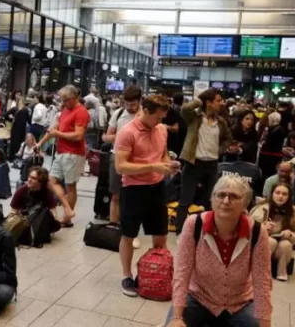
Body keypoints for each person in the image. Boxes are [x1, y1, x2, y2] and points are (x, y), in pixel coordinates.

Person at [166, 175, 272, 327]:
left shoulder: (257, 231)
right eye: (221, 195)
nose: (226, 201)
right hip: (198, 298)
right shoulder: (194, 224)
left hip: (239, 302)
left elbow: (262, 282)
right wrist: (176, 317)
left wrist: (266, 324)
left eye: (234, 196)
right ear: (212, 199)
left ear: (245, 204)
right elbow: (181, 273)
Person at [114, 94, 174, 297]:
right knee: (128, 235)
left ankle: (155, 271)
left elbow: (163, 154)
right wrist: (151, 166)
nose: (160, 121)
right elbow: (120, 166)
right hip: (133, 189)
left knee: (161, 234)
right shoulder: (127, 132)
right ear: (145, 111)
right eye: (157, 117)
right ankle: (126, 275)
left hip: (157, 187)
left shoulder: (161, 129)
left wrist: (167, 165)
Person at [177, 89, 232, 235]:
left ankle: (207, 231)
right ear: (208, 103)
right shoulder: (194, 117)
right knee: (185, 200)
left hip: (212, 164)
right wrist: (199, 100)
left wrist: (220, 149)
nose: (221, 103)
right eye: (218, 100)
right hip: (193, 162)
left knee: (211, 200)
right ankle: (180, 233)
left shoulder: (221, 122)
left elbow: (228, 138)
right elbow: (185, 108)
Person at [37, 85, 88, 226]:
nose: (63, 103)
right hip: (61, 151)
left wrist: (58, 134)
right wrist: (40, 143)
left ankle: (68, 217)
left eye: (65, 100)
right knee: (50, 181)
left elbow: (78, 135)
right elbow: (53, 128)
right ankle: (67, 208)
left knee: (70, 186)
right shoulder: (65, 109)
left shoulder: (81, 112)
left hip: (73, 153)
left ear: (73, 98)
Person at [102, 85, 142, 229]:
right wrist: (122, 137)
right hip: (118, 158)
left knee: (134, 196)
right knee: (115, 194)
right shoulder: (118, 114)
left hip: (138, 160)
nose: (129, 107)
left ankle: (131, 227)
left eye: (133, 104)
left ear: (140, 101)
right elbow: (106, 137)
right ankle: (113, 225)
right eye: (127, 104)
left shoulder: (145, 116)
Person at [250, 182, 295, 281]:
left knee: (286, 244)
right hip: (262, 244)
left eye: (284, 194)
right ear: (272, 194)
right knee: (270, 241)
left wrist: (290, 235)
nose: (280, 196)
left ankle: (281, 272)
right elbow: (249, 232)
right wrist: (262, 227)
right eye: (277, 193)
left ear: (289, 196)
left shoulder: (294, 212)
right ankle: (261, 271)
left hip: (281, 246)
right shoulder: (262, 208)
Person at [10, 167, 62, 233]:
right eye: (29, 176)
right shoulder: (21, 191)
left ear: (41, 182)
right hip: (24, 219)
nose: (29, 180)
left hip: (39, 219)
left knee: (57, 225)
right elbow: (13, 211)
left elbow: (54, 212)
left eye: (33, 178)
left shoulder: (46, 192)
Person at [259, 111, 287, 181]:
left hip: (269, 156)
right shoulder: (280, 129)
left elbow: (267, 142)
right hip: (273, 156)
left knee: (265, 174)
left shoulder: (274, 129)